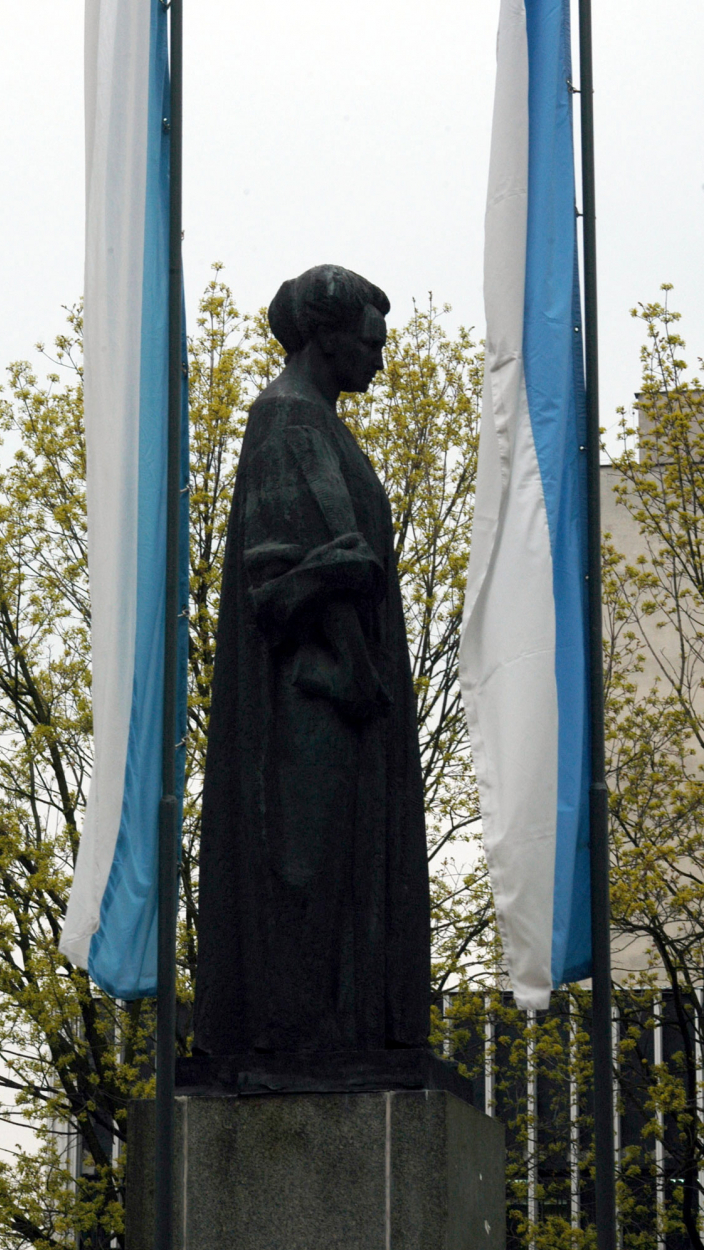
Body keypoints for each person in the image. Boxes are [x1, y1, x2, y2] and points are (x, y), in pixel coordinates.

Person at [193, 265, 430, 1056]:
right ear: (327, 340)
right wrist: (348, 636)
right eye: (370, 344)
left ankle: (342, 1026)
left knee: (346, 870)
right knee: (308, 869)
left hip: (345, 695)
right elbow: (282, 584)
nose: (380, 361)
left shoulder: (318, 422)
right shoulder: (289, 422)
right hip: (309, 701)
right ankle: (303, 1032)